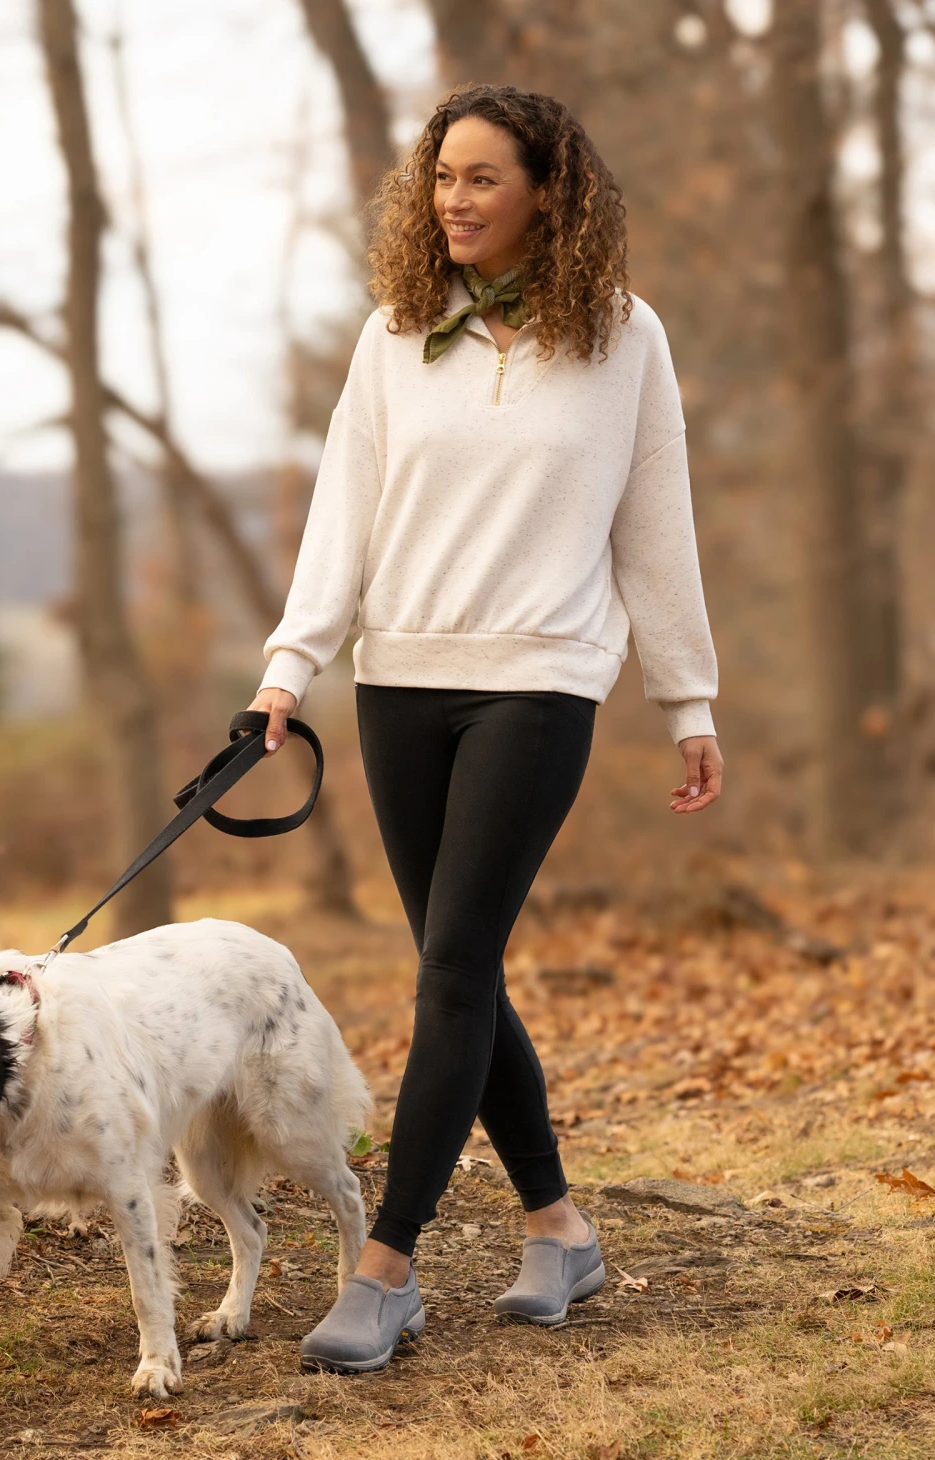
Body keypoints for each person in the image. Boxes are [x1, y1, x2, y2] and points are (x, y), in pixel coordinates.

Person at [246, 84, 723, 1374]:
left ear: (548, 193)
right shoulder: (395, 334)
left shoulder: (625, 339)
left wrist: (686, 696)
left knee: (452, 967)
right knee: (461, 964)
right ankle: (558, 1228)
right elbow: (343, 511)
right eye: (441, 177)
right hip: (400, 676)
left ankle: (387, 1268)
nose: (453, 201)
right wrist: (291, 665)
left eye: (482, 179)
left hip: (543, 678)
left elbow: (656, 526)